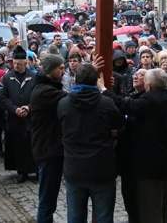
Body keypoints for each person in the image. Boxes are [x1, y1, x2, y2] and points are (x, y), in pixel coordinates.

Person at [57, 64, 125, 223]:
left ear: (75, 80)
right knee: (104, 218)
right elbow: (120, 122)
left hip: (74, 168)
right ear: (96, 81)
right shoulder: (106, 103)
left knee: (75, 218)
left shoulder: (64, 104)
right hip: (101, 168)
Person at [113, 68, 167, 223]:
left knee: (150, 209)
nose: (137, 76)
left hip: (150, 166)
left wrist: (103, 90)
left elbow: (128, 106)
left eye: (142, 75)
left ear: (148, 85)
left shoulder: (150, 100)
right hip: (158, 163)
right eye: (135, 74)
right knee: (156, 207)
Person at [30, 53, 67, 223]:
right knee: (47, 198)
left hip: (50, 148)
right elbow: (71, 99)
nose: (63, 71)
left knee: (48, 197)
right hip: (48, 150)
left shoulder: (47, 87)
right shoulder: (45, 91)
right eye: (60, 68)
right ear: (50, 69)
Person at [0, 45, 37, 182]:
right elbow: (3, 97)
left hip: (30, 117)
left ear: (25, 63)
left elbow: (38, 97)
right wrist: (14, 109)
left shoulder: (34, 77)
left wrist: (28, 107)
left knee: (32, 145)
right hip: (15, 117)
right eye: (14, 63)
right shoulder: (7, 78)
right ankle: (22, 171)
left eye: (19, 64)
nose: (16, 66)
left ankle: (35, 170)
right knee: (18, 145)